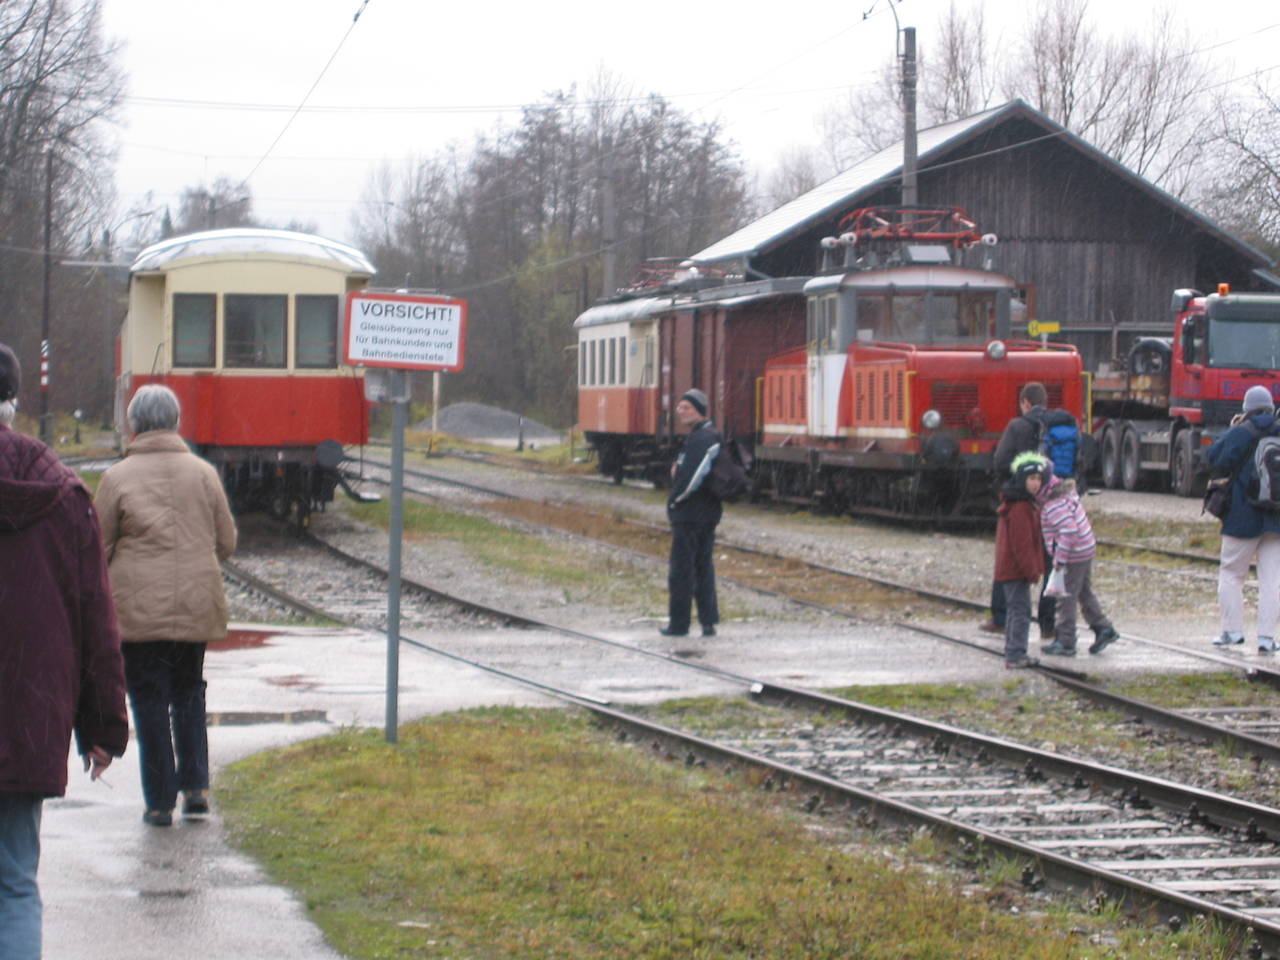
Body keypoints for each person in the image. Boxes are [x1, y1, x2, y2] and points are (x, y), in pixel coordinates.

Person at [0, 342, 128, 959]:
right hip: (24, 718)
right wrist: (103, 725)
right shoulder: (63, 494)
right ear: (14, 402)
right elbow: (94, 619)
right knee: (14, 883)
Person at [94, 384, 238, 826]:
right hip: (195, 603)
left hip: (138, 611)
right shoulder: (204, 473)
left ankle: (159, 803)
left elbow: (97, 546)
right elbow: (227, 542)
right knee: (189, 691)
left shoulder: (117, 478)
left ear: (134, 424)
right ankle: (196, 789)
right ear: (176, 421)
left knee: (149, 698)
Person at [1205, 384, 1280, 652]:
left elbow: (1213, 458)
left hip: (1242, 516)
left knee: (1231, 573)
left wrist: (1232, 428)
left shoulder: (1241, 431)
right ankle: (1267, 639)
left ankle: (1232, 632)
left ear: (1246, 409)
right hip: (1276, 518)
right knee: (1272, 580)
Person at [981, 382, 1056, 636]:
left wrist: (1020, 479)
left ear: (1025, 403)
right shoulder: (1056, 426)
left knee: (1010, 556)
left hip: (1022, 500)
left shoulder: (1017, 426)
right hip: (1052, 501)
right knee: (1051, 560)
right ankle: (1048, 623)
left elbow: (1001, 461)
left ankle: (1001, 617)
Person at [1033, 454, 1119, 657]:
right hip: (1084, 547)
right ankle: (1103, 628)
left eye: (1036, 479)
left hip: (1073, 553)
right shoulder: (1063, 494)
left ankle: (1066, 640)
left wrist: (1060, 560)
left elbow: (1069, 530)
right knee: (1083, 591)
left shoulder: (1053, 504)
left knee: (1065, 597)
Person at [661, 388, 722, 638]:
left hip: (691, 514)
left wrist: (676, 500)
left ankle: (679, 624)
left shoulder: (701, 439)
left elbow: (694, 476)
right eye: (679, 407)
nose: (681, 412)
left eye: (686, 407)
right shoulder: (705, 435)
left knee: (682, 571)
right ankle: (708, 622)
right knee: (703, 568)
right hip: (706, 512)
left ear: (699, 410)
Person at [994, 452, 1048, 668]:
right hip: (1016, 569)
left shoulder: (1021, 503)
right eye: (1031, 478)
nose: (1035, 484)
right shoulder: (1020, 508)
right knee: (1021, 611)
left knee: (1016, 609)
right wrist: (1032, 571)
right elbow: (1022, 545)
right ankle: (1016, 654)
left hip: (1012, 568)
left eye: (1038, 479)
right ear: (1021, 479)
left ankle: (1013, 650)